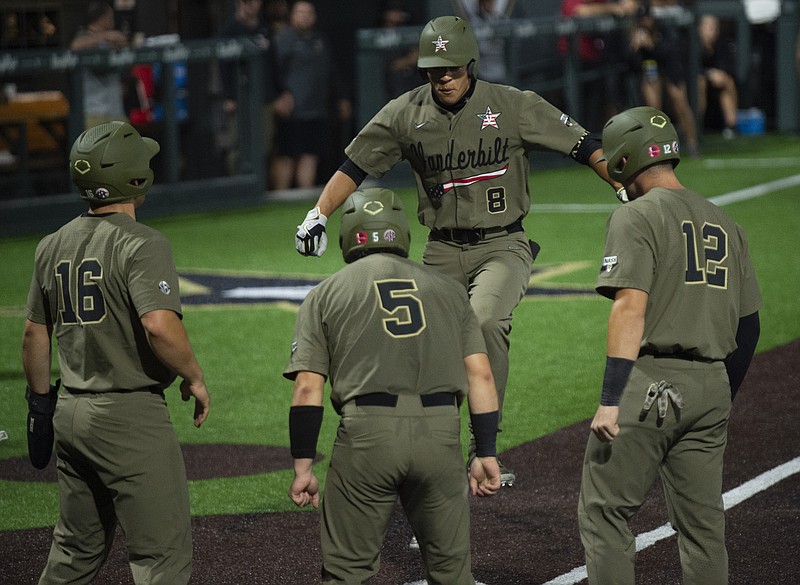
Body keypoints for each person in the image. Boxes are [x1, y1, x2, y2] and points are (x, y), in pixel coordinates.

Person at [294, 15, 626, 486]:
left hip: (502, 244)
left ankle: (484, 447)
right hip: (441, 251)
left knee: (485, 322)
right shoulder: (406, 113)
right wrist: (319, 214)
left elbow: (582, 143)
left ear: (469, 62)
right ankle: (437, 455)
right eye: (434, 70)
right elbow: (357, 163)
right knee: (424, 349)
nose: (444, 78)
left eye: (452, 68)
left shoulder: (511, 104)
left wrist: (618, 183)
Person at [577, 106, 762, 584]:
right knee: (703, 527)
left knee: (605, 513)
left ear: (621, 161)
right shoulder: (726, 222)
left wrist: (611, 399)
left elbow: (629, 308)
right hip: (712, 387)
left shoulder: (636, 216)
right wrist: (718, 395)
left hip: (650, 387)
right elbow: (750, 327)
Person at [22, 121, 211, 584]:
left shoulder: (52, 245)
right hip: (127, 417)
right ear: (136, 177)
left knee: (74, 553)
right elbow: (159, 326)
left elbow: (33, 335)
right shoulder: (142, 244)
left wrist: (40, 404)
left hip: (71, 413)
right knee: (160, 559)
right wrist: (193, 375)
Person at [285, 187, 501, 584]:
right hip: (440, 434)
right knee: (453, 573)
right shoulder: (449, 290)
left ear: (349, 233)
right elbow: (481, 376)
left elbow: (307, 389)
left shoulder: (325, 294)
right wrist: (485, 450)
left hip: (368, 436)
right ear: (400, 231)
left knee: (347, 572)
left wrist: (303, 467)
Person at [271, 1, 352, 190]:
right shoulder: (282, 40)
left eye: (309, 12)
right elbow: (271, 73)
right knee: (287, 157)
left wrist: (342, 98)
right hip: (291, 111)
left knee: (310, 155)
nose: (305, 16)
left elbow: (332, 72)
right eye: (300, 12)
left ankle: (304, 201)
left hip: (316, 110)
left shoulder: (320, 40)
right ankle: (280, 198)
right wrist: (278, 96)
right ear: (292, 15)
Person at [628, 0, 700, 156]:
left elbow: (669, 54)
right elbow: (632, 65)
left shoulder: (664, 30)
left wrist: (651, 46)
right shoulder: (636, 34)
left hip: (670, 69)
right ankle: (657, 147)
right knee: (653, 109)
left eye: (647, 18)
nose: (645, 22)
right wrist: (634, 48)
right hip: (650, 71)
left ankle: (692, 142)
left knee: (680, 102)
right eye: (642, 19)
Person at [217, 0, 280, 176]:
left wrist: (279, 93)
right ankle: (236, 185)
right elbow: (223, 67)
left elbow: (273, 64)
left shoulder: (264, 29)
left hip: (263, 97)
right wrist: (228, 96)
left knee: (264, 144)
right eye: (246, 2)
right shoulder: (229, 30)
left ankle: (256, 184)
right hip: (239, 99)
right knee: (237, 144)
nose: (250, 5)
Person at [558, 0, 639, 131]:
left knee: (604, 105)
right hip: (575, 60)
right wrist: (612, 8)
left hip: (600, 57)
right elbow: (578, 10)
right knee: (578, 113)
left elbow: (629, 6)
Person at [70, 1, 130, 129]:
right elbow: (74, 46)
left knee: (127, 147)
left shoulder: (110, 41)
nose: (112, 20)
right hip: (94, 111)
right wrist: (106, 36)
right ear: (103, 18)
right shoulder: (85, 35)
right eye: (110, 16)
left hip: (115, 110)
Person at [697, 14, 738, 139]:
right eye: (708, 28)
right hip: (694, 82)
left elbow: (727, 67)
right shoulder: (692, 44)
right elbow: (689, 68)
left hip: (716, 83)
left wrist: (720, 75)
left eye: (715, 28)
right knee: (700, 82)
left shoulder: (722, 44)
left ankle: (731, 126)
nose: (712, 32)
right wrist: (707, 73)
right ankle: (697, 125)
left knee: (727, 81)